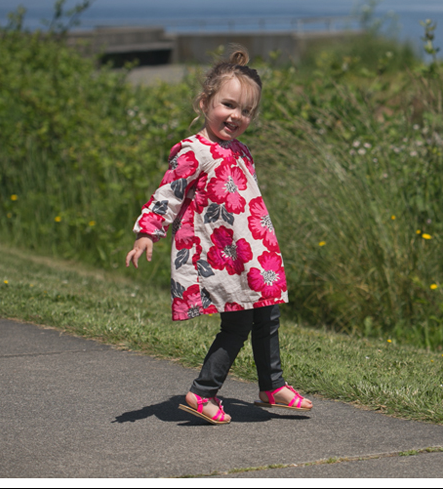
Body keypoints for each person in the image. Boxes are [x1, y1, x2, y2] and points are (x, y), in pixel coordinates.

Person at [125, 45, 312, 425]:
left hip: (253, 253)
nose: (236, 116)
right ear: (204, 102)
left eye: (246, 111)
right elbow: (169, 194)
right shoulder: (194, 151)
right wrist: (148, 233)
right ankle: (202, 392)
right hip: (220, 256)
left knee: (267, 312)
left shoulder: (241, 150)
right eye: (228, 105)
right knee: (239, 322)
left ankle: (271, 384)